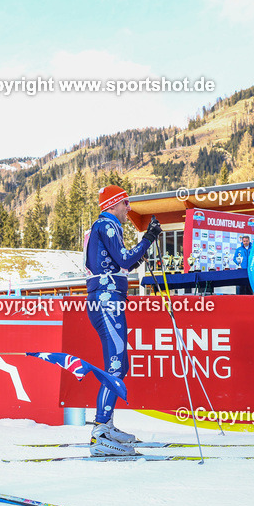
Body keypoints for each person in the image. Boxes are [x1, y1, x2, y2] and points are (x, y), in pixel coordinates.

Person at [85, 185, 161, 455]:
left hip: (105, 297)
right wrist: (148, 238)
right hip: (106, 299)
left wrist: (139, 254)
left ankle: (106, 425)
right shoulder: (107, 224)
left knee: (117, 364)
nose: (129, 208)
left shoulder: (105, 226)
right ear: (113, 203)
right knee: (117, 365)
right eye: (125, 202)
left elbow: (117, 263)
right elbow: (124, 259)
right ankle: (100, 431)